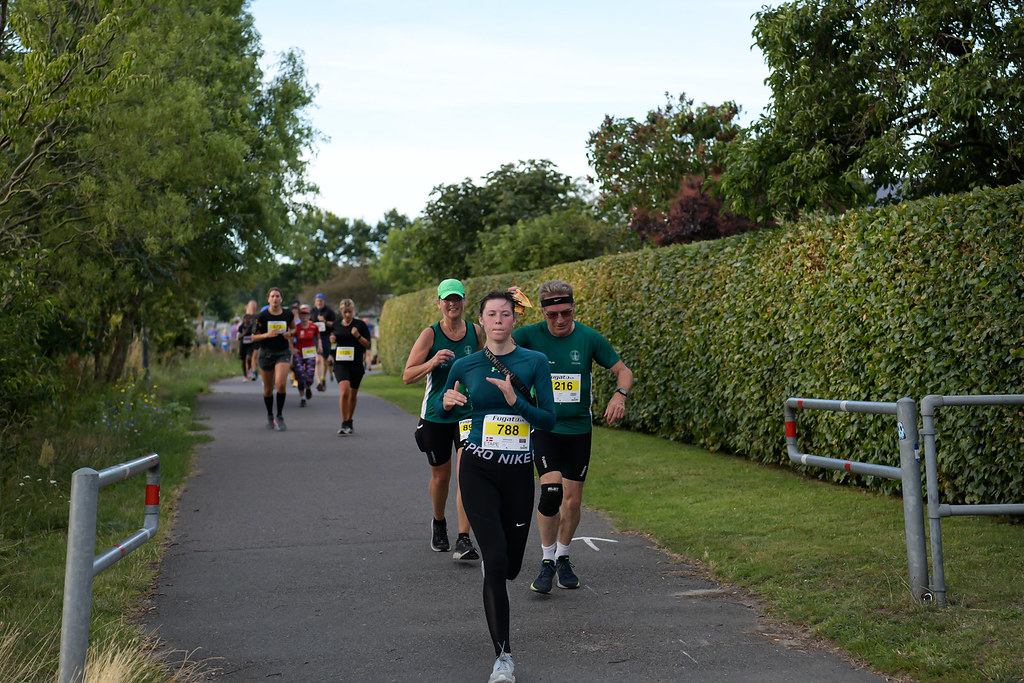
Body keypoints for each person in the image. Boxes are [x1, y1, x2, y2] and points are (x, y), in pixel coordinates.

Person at [437, 290, 556, 683]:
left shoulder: (535, 362)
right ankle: (503, 657)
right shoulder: (466, 364)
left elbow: (548, 419)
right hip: (478, 471)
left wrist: (515, 401)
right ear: (482, 321)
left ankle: (498, 561)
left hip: (519, 473)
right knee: (494, 563)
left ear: (513, 321)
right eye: (492, 314)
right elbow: (440, 406)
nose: (499, 320)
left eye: (506, 314)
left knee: (511, 567)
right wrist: (449, 401)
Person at [511, 280, 634, 594]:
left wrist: (619, 396)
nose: (560, 320)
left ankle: (563, 556)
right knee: (551, 492)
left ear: (574, 308)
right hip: (545, 427)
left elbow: (624, 371)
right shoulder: (529, 335)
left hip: (579, 430)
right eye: (552, 315)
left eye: (566, 312)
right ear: (542, 312)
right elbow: (492, 336)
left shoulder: (589, 337)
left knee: (573, 500)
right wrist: (504, 304)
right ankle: (547, 560)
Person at [402, 278, 483, 561]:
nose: (452, 304)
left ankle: (464, 538)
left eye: (457, 298)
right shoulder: (430, 335)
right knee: (441, 477)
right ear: (439, 303)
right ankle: (439, 522)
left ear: (463, 301)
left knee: (467, 475)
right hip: (436, 415)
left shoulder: (476, 331)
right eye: (447, 299)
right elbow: (407, 375)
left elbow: (491, 361)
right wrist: (432, 362)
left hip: (468, 415)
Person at [252, 287, 295, 431]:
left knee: (281, 384)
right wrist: (267, 335)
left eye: (277, 296)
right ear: (268, 299)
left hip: (282, 352)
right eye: (272, 296)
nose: (275, 298)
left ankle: (280, 415)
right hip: (266, 354)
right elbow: (253, 337)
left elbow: (293, 329)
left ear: (281, 299)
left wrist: (289, 333)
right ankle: (270, 415)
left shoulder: (288, 314)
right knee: (268, 389)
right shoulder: (262, 316)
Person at [330, 298, 371, 435]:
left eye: (350, 312)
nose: (347, 314)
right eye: (345, 312)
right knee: (345, 391)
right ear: (341, 311)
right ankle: (343, 422)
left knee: (353, 395)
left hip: (356, 364)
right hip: (341, 363)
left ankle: (349, 421)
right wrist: (332, 341)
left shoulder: (360, 325)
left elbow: (367, 344)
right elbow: (332, 345)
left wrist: (357, 336)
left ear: (353, 311)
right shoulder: (336, 325)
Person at [292, 304, 322, 407]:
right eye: (302, 315)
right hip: (299, 353)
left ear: (309, 316)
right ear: (299, 316)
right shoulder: (296, 327)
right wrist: (292, 349)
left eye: (306, 315)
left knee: (309, 376)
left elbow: (318, 337)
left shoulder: (314, 326)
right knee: (300, 374)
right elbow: (290, 339)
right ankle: (302, 398)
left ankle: (308, 387)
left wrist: (319, 346)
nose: (304, 317)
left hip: (310, 352)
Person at [311, 293, 335, 392]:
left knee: (324, 360)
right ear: (315, 301)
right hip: (315, 338)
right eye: (317, 301)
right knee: (317, 360)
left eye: (321, 301)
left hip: (325, 337)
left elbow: (334, 325)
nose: (319, 302)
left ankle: (324, 378)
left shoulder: (329, 312)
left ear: (324, 301)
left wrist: (324, 321)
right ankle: (319, 381)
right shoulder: (312, 312)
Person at [237, 313, 256, 381]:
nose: (247, 320)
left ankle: (250, 368)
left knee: (249, 357)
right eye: (246, 318)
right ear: (244, 319)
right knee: (243, 360)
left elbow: (255, 334)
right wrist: (243, 334)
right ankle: (245, 375)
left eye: (249, 318)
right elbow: (238, 337)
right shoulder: (241, 327)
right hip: (243, 345)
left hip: (250, 345)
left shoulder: (252, 327)